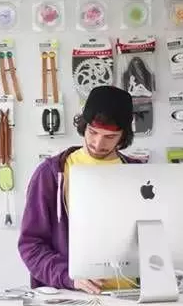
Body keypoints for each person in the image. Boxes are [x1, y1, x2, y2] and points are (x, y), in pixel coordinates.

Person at [18, 85, 141, 294]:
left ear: (123, 135)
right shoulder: (51, 173)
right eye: (93, 132)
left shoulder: (139, 174)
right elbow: (31, 245)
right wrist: (69, 276)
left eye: (110, 137)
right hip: (73, 297)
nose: (98, 143)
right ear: (83, 125)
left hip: (133, 296)